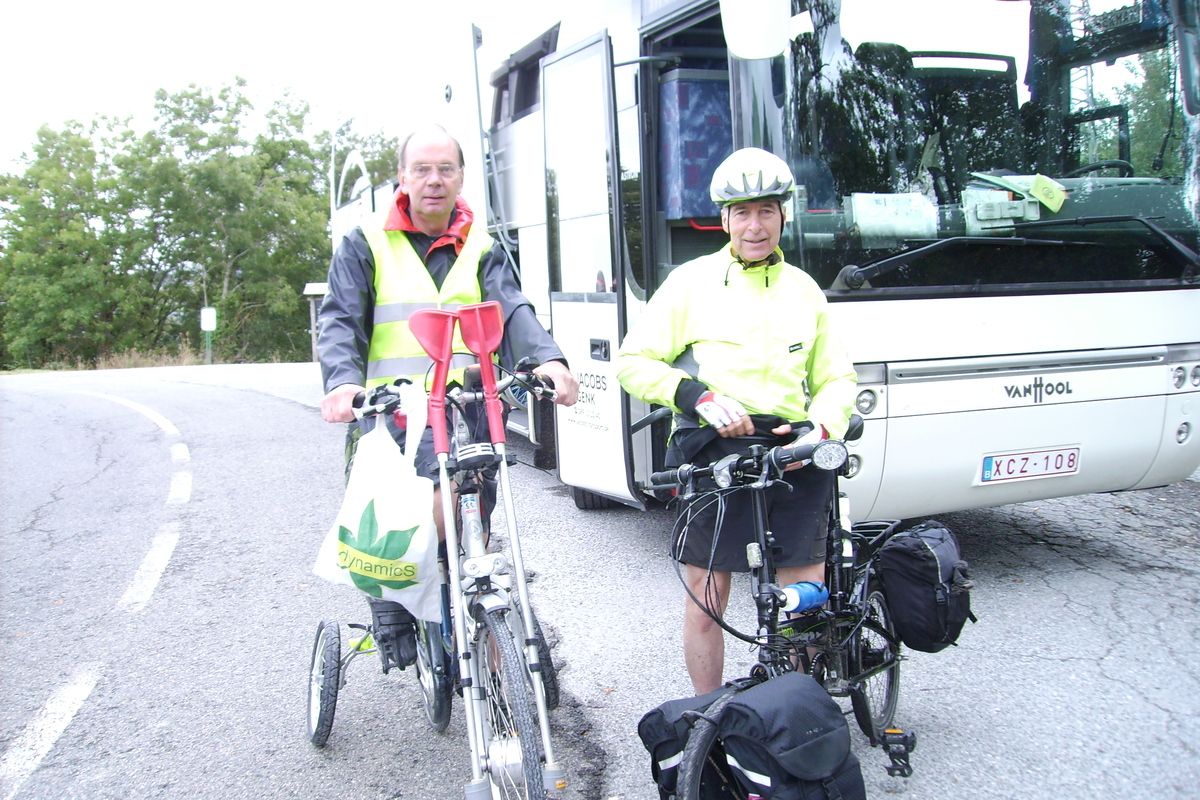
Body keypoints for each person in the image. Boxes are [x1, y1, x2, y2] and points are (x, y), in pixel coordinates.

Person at [317, 124, 578, 673]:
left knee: (475, 515)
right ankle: (392, 598)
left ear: (462, 177)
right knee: (418, 509)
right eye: (422, 170)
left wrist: (548, 360)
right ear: (402, 177)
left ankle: (479, 631)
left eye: (446, 170)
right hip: (396, 411)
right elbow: (341, 320)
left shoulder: (481, 246)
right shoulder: (365, 242)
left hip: (470, 406)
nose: (434, 181)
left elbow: (510, 312)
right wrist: (343, 381)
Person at [616, 147, 857, 694]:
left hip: (791, 450)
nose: (755, 226)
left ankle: (802, 713)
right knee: (707, 601)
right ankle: (708, 716)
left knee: (803, 603)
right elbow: (633, 363)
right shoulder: (690, 283)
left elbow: (838, 378)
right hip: (715, 452)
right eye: (743, 213)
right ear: (724, 219)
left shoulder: (804, 290)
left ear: (783, 216)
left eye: (766, 212)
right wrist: (695, 396)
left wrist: (822, 427)